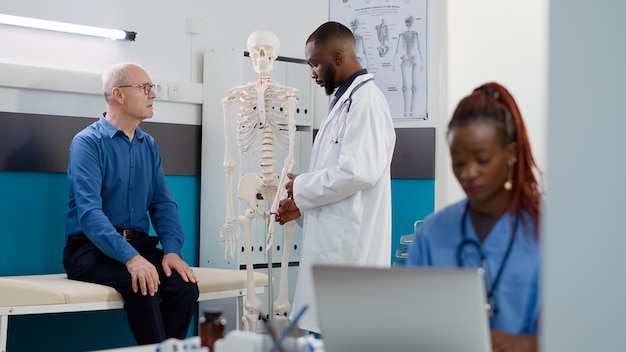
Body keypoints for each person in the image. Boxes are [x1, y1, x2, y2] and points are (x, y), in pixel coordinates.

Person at [63, 63, 199, 345]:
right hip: (89, 250)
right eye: (145, 88)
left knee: (184, 287)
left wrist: (172, 251)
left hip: (139, 247)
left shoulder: (148, 145)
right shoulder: (87, 143)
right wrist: (130, 259)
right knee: (144, 286)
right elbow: (90, 215)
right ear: (119, 95)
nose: (153, 95)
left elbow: (163, 205)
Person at [274, 21, 396, 334]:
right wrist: (302, 204)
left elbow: (358, 172)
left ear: (338, 58)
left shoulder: (365, 103)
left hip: (351, 250)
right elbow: (341, 177)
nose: (312, 72)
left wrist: (301, 185)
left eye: (315, 63)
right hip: (336, 243)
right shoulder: (345, 101)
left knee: (347, 332)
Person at [407, 82, 541, 352]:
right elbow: (412, 324)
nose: (468, 173)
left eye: (481, 160)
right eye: (458, 162)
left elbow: (589, 326)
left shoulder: (547, 233)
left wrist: (528, 343)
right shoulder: (432, 233)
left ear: (511, 155)